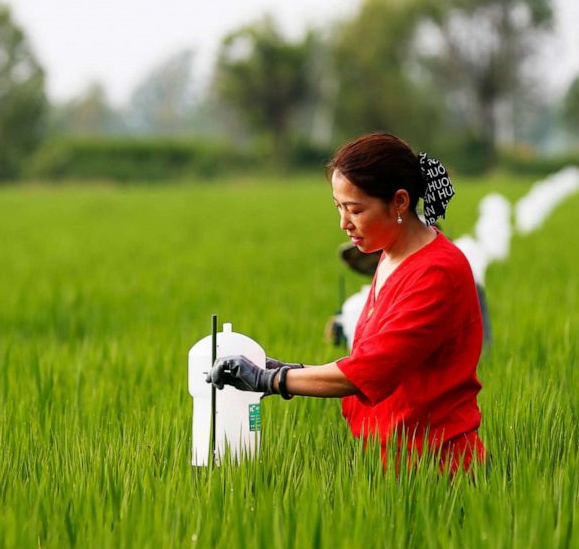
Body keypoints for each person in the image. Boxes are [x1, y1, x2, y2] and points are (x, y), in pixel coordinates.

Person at [208, 132, 485, 473]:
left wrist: (272, 380)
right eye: (339, 208)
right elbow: (368, 359)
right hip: (388, 462)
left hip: (437, 466)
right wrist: (285, 370)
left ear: (399, 202)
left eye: (356, 210)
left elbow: (367, 371)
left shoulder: (436, 271)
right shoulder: (391, 256)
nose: (344, 223)